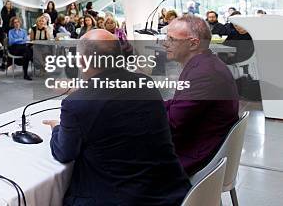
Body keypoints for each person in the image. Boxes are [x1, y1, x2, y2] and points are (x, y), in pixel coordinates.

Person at [43, 30, 190, 205]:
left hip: (119, 199)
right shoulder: (147, 85)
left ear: (82, 61)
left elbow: (65, 153)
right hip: (172, 194)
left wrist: (56, 128)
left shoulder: (76, 104)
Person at [163, 15, 239, 175]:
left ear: (193, 43)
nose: (165, 43)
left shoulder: (203, 74)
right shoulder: (204, 64)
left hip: (196, 155)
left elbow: (173, 123)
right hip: (202, 143)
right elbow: (178, 105)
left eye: (171, 39)